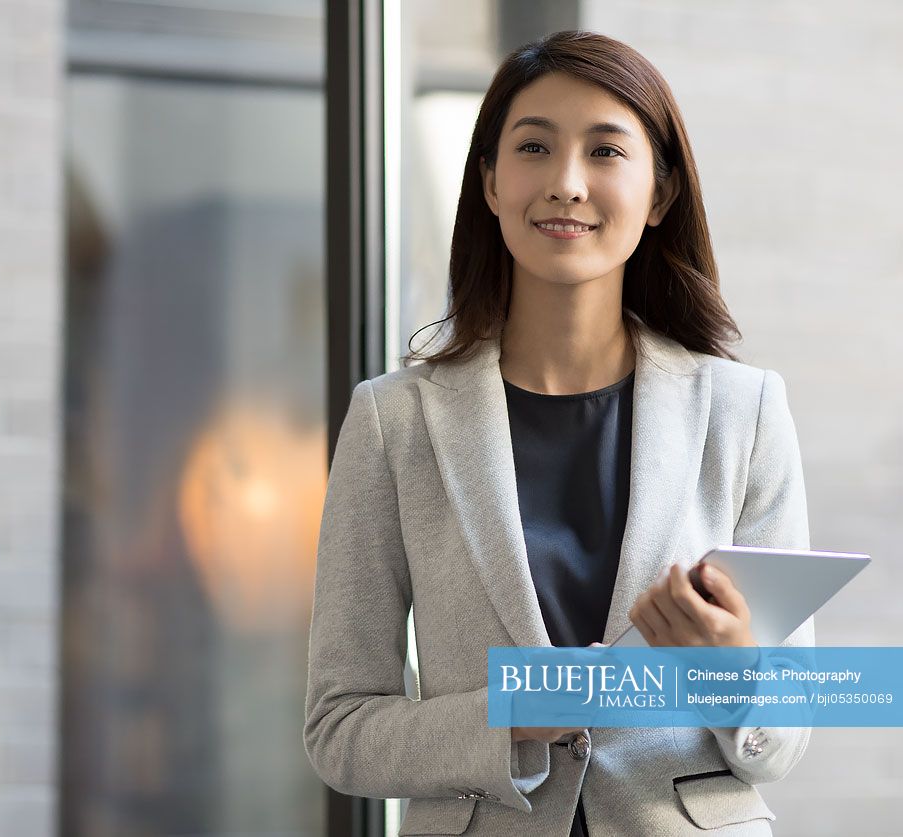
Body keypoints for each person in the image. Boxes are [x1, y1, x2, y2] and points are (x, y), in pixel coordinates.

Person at [303, 30, 813, 836]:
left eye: (605, 151)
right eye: (533, 147)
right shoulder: (392, 421)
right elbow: (339, 730)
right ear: (490, 184)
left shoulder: (742, 411)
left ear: (658, 195)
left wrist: (734, 675)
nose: (566, 184)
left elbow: (783, 737)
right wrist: (512, 715)